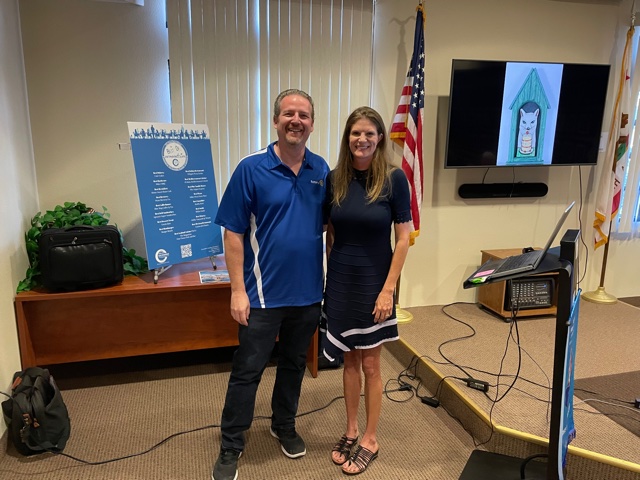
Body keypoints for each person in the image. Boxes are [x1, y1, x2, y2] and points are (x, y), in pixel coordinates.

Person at [212, 89, 329, 480]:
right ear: (276, 120)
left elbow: (328, 226)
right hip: (261, 295)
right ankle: (231, 444)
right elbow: (233, 233)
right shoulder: (251, 168)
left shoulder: (321, 170)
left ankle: (284, 426)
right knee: (248, 371)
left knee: (294, 365)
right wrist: (237, 290)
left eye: (304, 115)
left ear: (312, 123)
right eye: (289, 113)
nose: (296, 120)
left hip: (308, 294)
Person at [322, 106, 412, 475]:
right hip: (341, 280)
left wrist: (388, 290)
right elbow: (330, 232)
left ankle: (371, 439)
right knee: (349, 361)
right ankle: (351, 430)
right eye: (355, 133)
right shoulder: (335, 179)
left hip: (376, 283)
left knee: (372, 364)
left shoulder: (394, 179)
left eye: (369, 134)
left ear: (379, 139)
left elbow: (403, 238)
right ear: (348, 138)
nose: (362, 139)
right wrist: (330, 280)